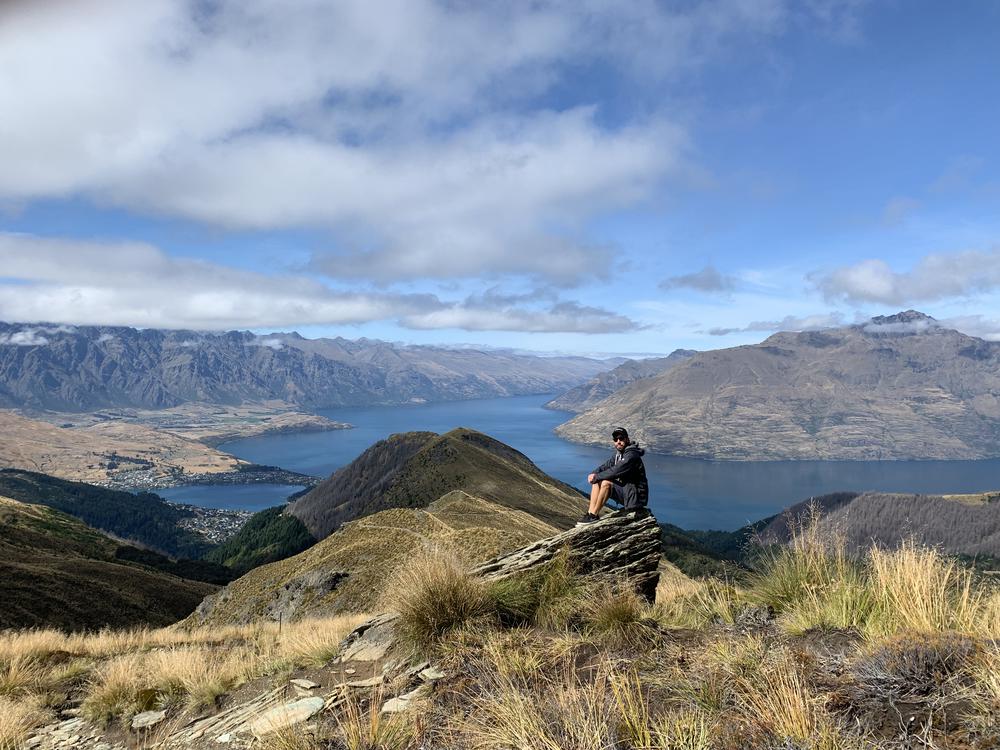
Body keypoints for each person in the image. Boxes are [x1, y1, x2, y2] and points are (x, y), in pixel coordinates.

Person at [578, 427, 649, 525]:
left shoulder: (631, 455)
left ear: (627, 439)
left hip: (635, 496)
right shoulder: (618, 455)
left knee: (606, 483)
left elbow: (616, 470)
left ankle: (594, 516)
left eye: (621, 438)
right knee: (597, 482)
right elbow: (606, 466)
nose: (618, 441)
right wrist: (594, 473)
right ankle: (590, 514)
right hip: (627, 491)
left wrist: (597, 476)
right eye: (616, 439)